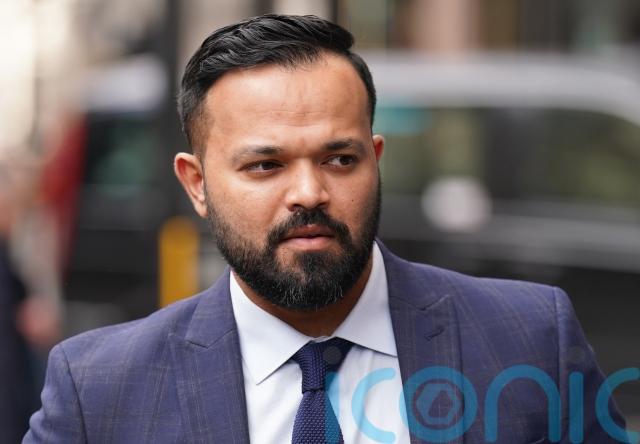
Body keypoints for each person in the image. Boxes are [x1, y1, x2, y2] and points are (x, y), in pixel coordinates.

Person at [24, 14, 628, 443]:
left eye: (340, 159)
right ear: (197, 184)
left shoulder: (531, 340)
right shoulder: (99, 390)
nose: (309, 193)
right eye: (266, 165)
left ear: (375, 159)